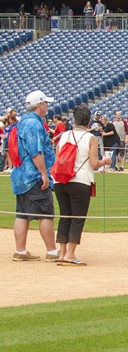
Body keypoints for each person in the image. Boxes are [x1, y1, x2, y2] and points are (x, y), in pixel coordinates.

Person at [53, 105, 109, 264]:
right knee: (77, 217)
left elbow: (58, 157)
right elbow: (93, 163)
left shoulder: (64, 135)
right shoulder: (90, 137)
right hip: (80, 180)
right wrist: (105, 161)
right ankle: (70, 253)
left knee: (65, 216)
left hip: (60, 180)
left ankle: (62, 252)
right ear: (88, 120)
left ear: (74, 119)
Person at [11, 91, 58, 262]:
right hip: (33, 176)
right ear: (40, 105)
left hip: (21, 176)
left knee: (22, 214)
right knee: (45, 213)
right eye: (46, 103)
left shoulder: (23, 121)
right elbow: (36, 152)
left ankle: (20, 251)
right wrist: (44, 174)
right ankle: (52, 251)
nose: (47, 106)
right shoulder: (33, 124)